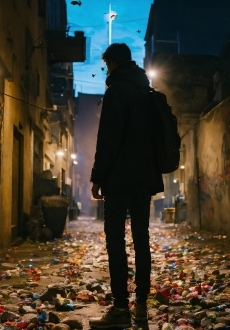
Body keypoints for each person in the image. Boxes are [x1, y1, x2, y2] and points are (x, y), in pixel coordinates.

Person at [88, 43, 164, 328]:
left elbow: (108, 139)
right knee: (141, 239)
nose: (106, 69)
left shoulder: (116, 91)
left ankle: (121, 307)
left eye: (107, 64)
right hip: (144, 179)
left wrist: (98, 177)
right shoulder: (146, 92)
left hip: (119, 180)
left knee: (116, 241)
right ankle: (141, 304)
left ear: (113, 63)